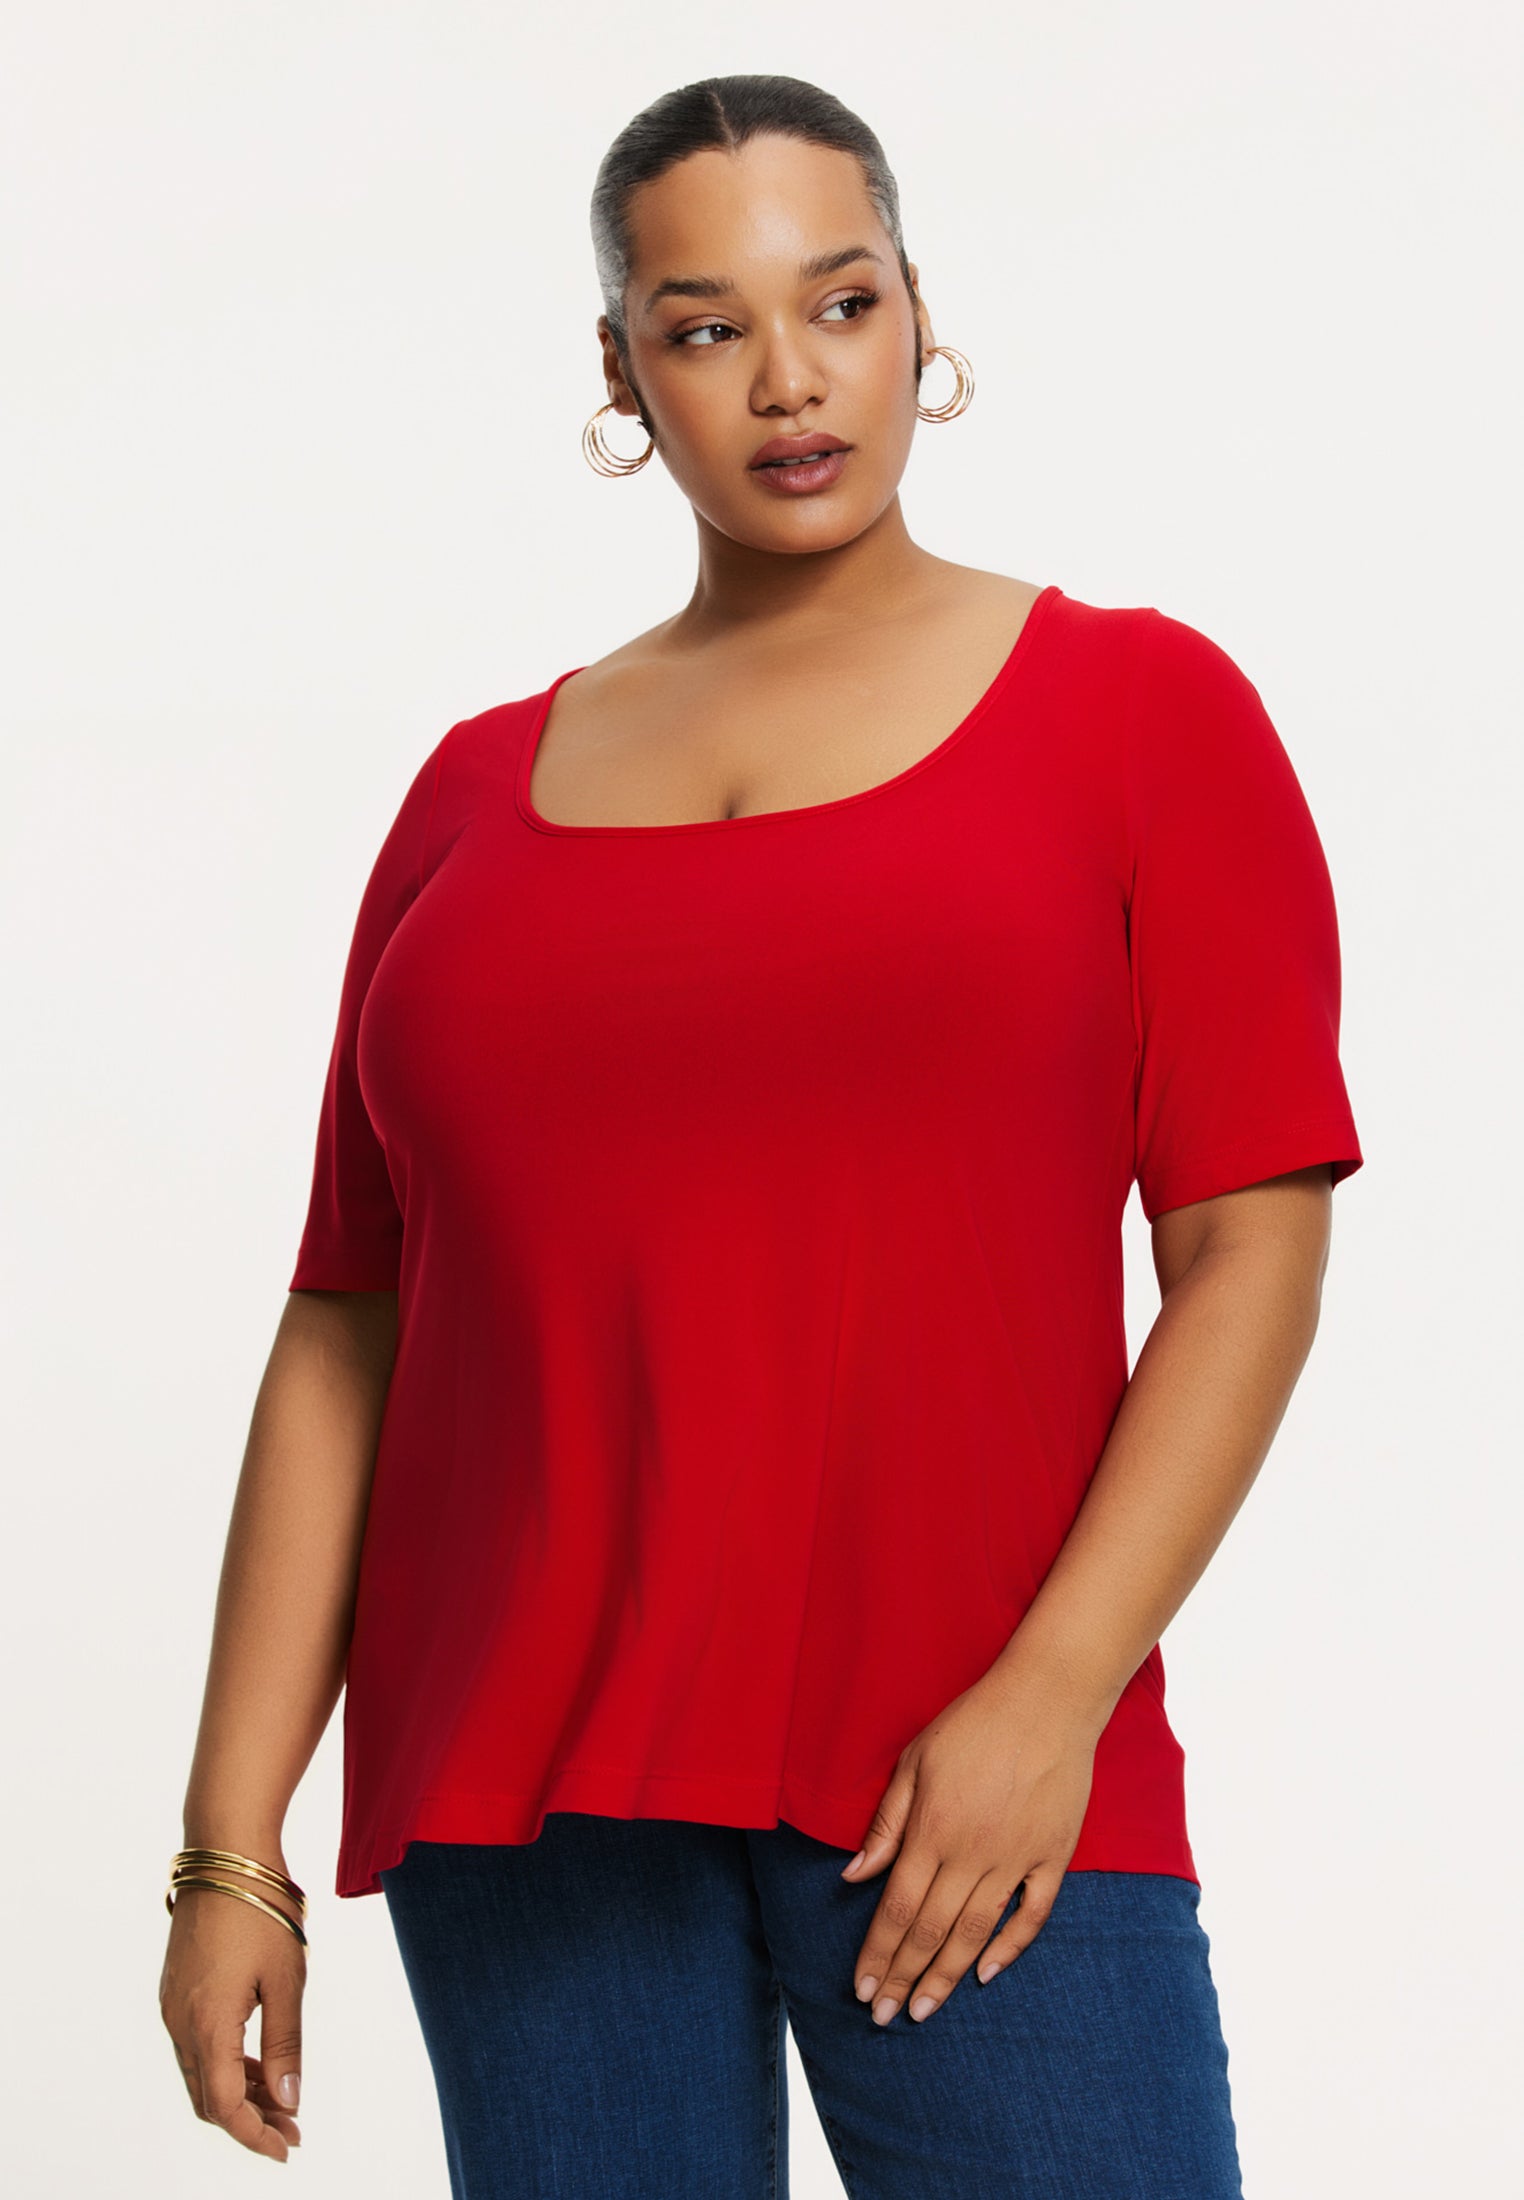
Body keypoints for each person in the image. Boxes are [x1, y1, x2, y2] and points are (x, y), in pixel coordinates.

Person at [159, 72, 1364, 2199]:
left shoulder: (1137, 713)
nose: (790, 380)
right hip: (525, 1798)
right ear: (623, 372)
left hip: (969, 1777)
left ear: (921, 316)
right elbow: (349, 1324)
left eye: (843, 301)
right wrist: (227, 1843)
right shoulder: (471, 793)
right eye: (706, 327)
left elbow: (1248, 1247)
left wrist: (1051, 1698)